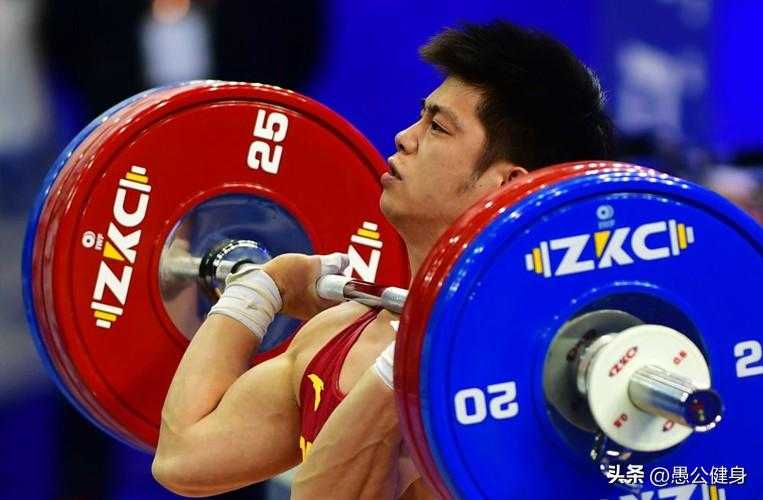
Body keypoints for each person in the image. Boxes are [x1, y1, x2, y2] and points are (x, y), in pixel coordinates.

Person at [151, 20, 614, 498]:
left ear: (508, 185)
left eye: (437, 127)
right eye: (421, 118)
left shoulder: (527, 373)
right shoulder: (339, 333)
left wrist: (417, 357)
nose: (404, 137)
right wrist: (264, 288)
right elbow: (183, 458)